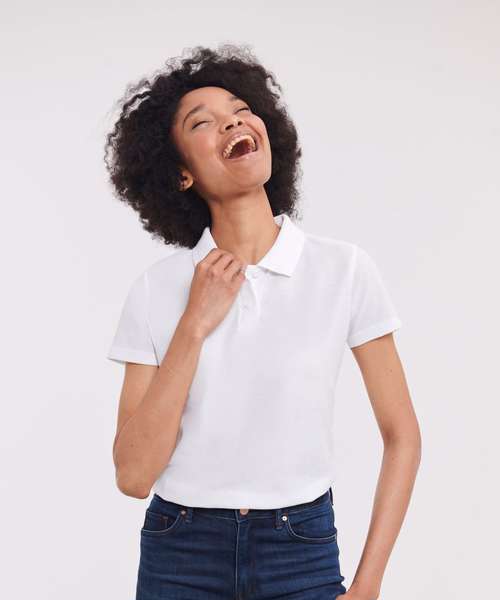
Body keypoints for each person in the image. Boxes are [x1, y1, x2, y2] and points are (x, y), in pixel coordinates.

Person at [104, 43, 421, 600]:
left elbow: (402, 437)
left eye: (241, 110)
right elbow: (133, 477)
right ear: (181, 174)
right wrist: (194, 324)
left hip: (300, 548)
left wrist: (368, 583)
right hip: (181, 550)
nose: (232, 122)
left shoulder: (343, 269)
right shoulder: (157, 289)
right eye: (202, 122)